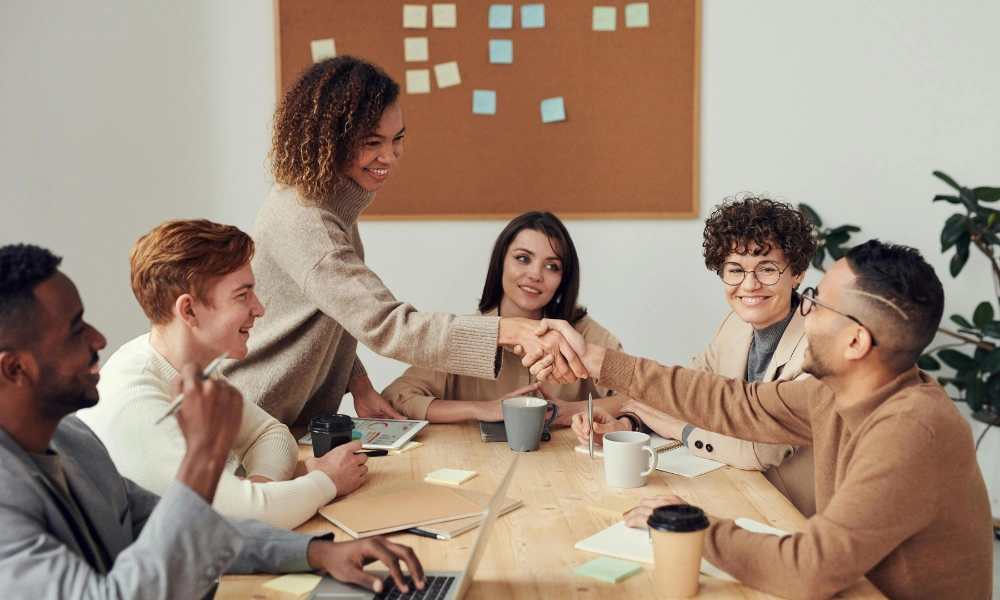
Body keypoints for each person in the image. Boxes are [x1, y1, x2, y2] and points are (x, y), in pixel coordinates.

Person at [533, 240, 993, 599]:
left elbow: (809, 569)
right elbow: (736, 403)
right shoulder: (839, 392)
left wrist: (695, 526)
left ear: (855, 342)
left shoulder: (911, 429)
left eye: (815, 301)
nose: (803, 310)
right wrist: (598, 360)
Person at [0, 244, 426, 599]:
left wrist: (317, 553)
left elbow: (186, 528)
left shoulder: (72, 440)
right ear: (15, 369)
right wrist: (204, 457)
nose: (99, 339)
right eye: (76, 331)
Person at [221, 55, 586, 426]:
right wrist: (505, 330)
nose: (389, 156)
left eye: (398, 139)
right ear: (330, 140)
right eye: (372, 142)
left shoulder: (329, 204)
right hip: (252, 420)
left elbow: (337, 311)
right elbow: (387, 324)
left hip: (288, 421)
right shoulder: (307, 221)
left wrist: (358, 383)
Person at [78, 221, 367, 529]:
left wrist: (258, 492)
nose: (259, 309)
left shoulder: (189, 366)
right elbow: (242, 520)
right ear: (188, 311)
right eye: (243, 295)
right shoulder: (136, 401)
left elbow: (270, 434)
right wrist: (327, 480)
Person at [572, 196, 819, 515]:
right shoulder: (732, 326)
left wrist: (680, 430)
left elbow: (759, 451)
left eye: (767, 269)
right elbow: (686, 392)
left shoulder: (817, 346)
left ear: (797, 273)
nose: (749, 284)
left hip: (794, 514)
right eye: (735, 270)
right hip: (737, 492)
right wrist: (628, 423)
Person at [383, 212, 621, 424]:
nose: (535, 275)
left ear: (563, 280)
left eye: (551, 266)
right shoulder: (466, 334)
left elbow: (643, 396)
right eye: (523, 259)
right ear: (500, 263)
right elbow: (396, 397)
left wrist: (575, 411)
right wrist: (479, 408)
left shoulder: (584, 333)